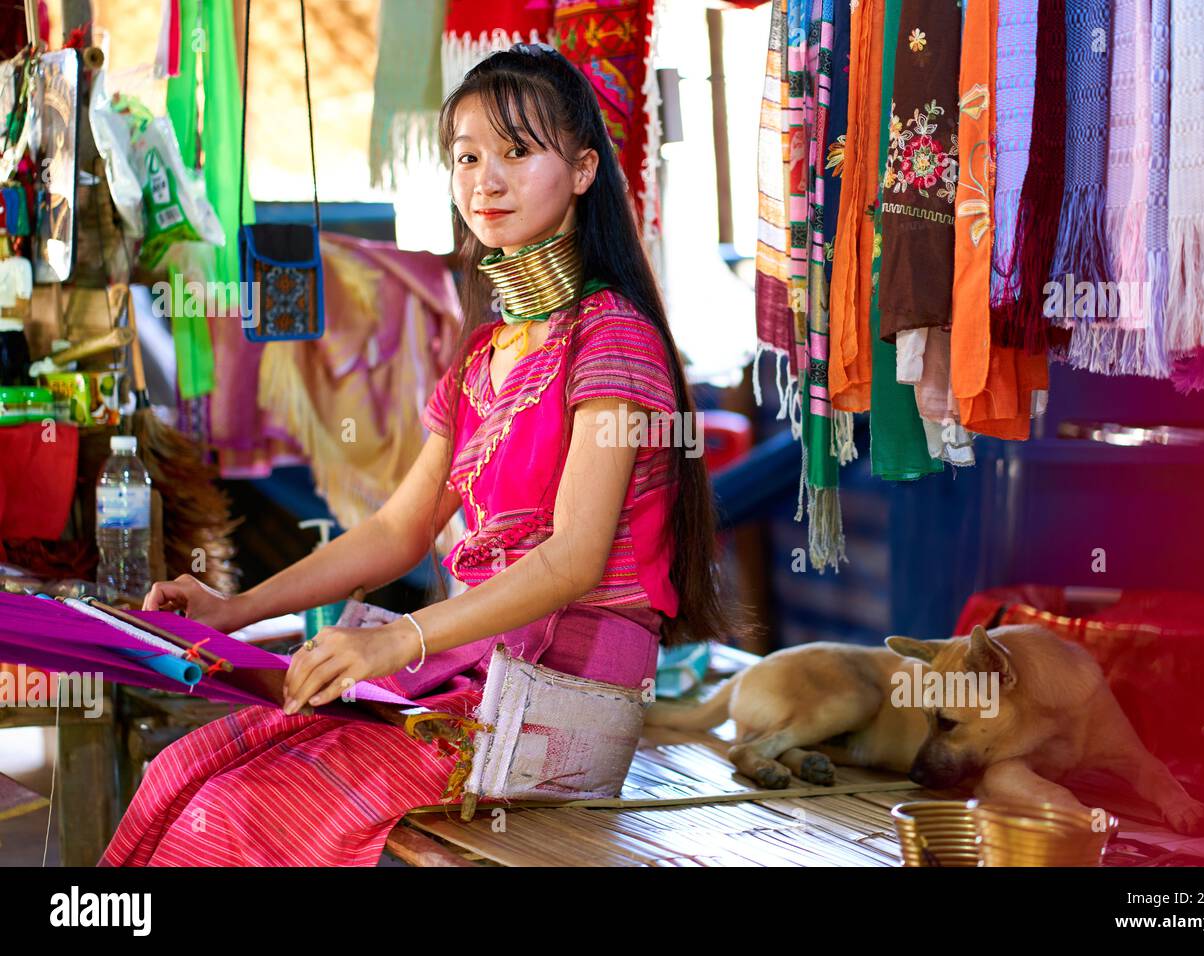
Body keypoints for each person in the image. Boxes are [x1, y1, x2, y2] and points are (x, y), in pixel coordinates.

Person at [98, 44, 744, 867]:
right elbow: (398, 531)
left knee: (234, 811)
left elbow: (575, 561)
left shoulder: (612, 337)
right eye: (467, 157)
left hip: (555, 703)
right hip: (475, 679)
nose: (487, 181)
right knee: (185, 771)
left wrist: (397, 641)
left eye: (517, 151)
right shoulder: (485, 354)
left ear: (584, 169)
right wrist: (235, 610)